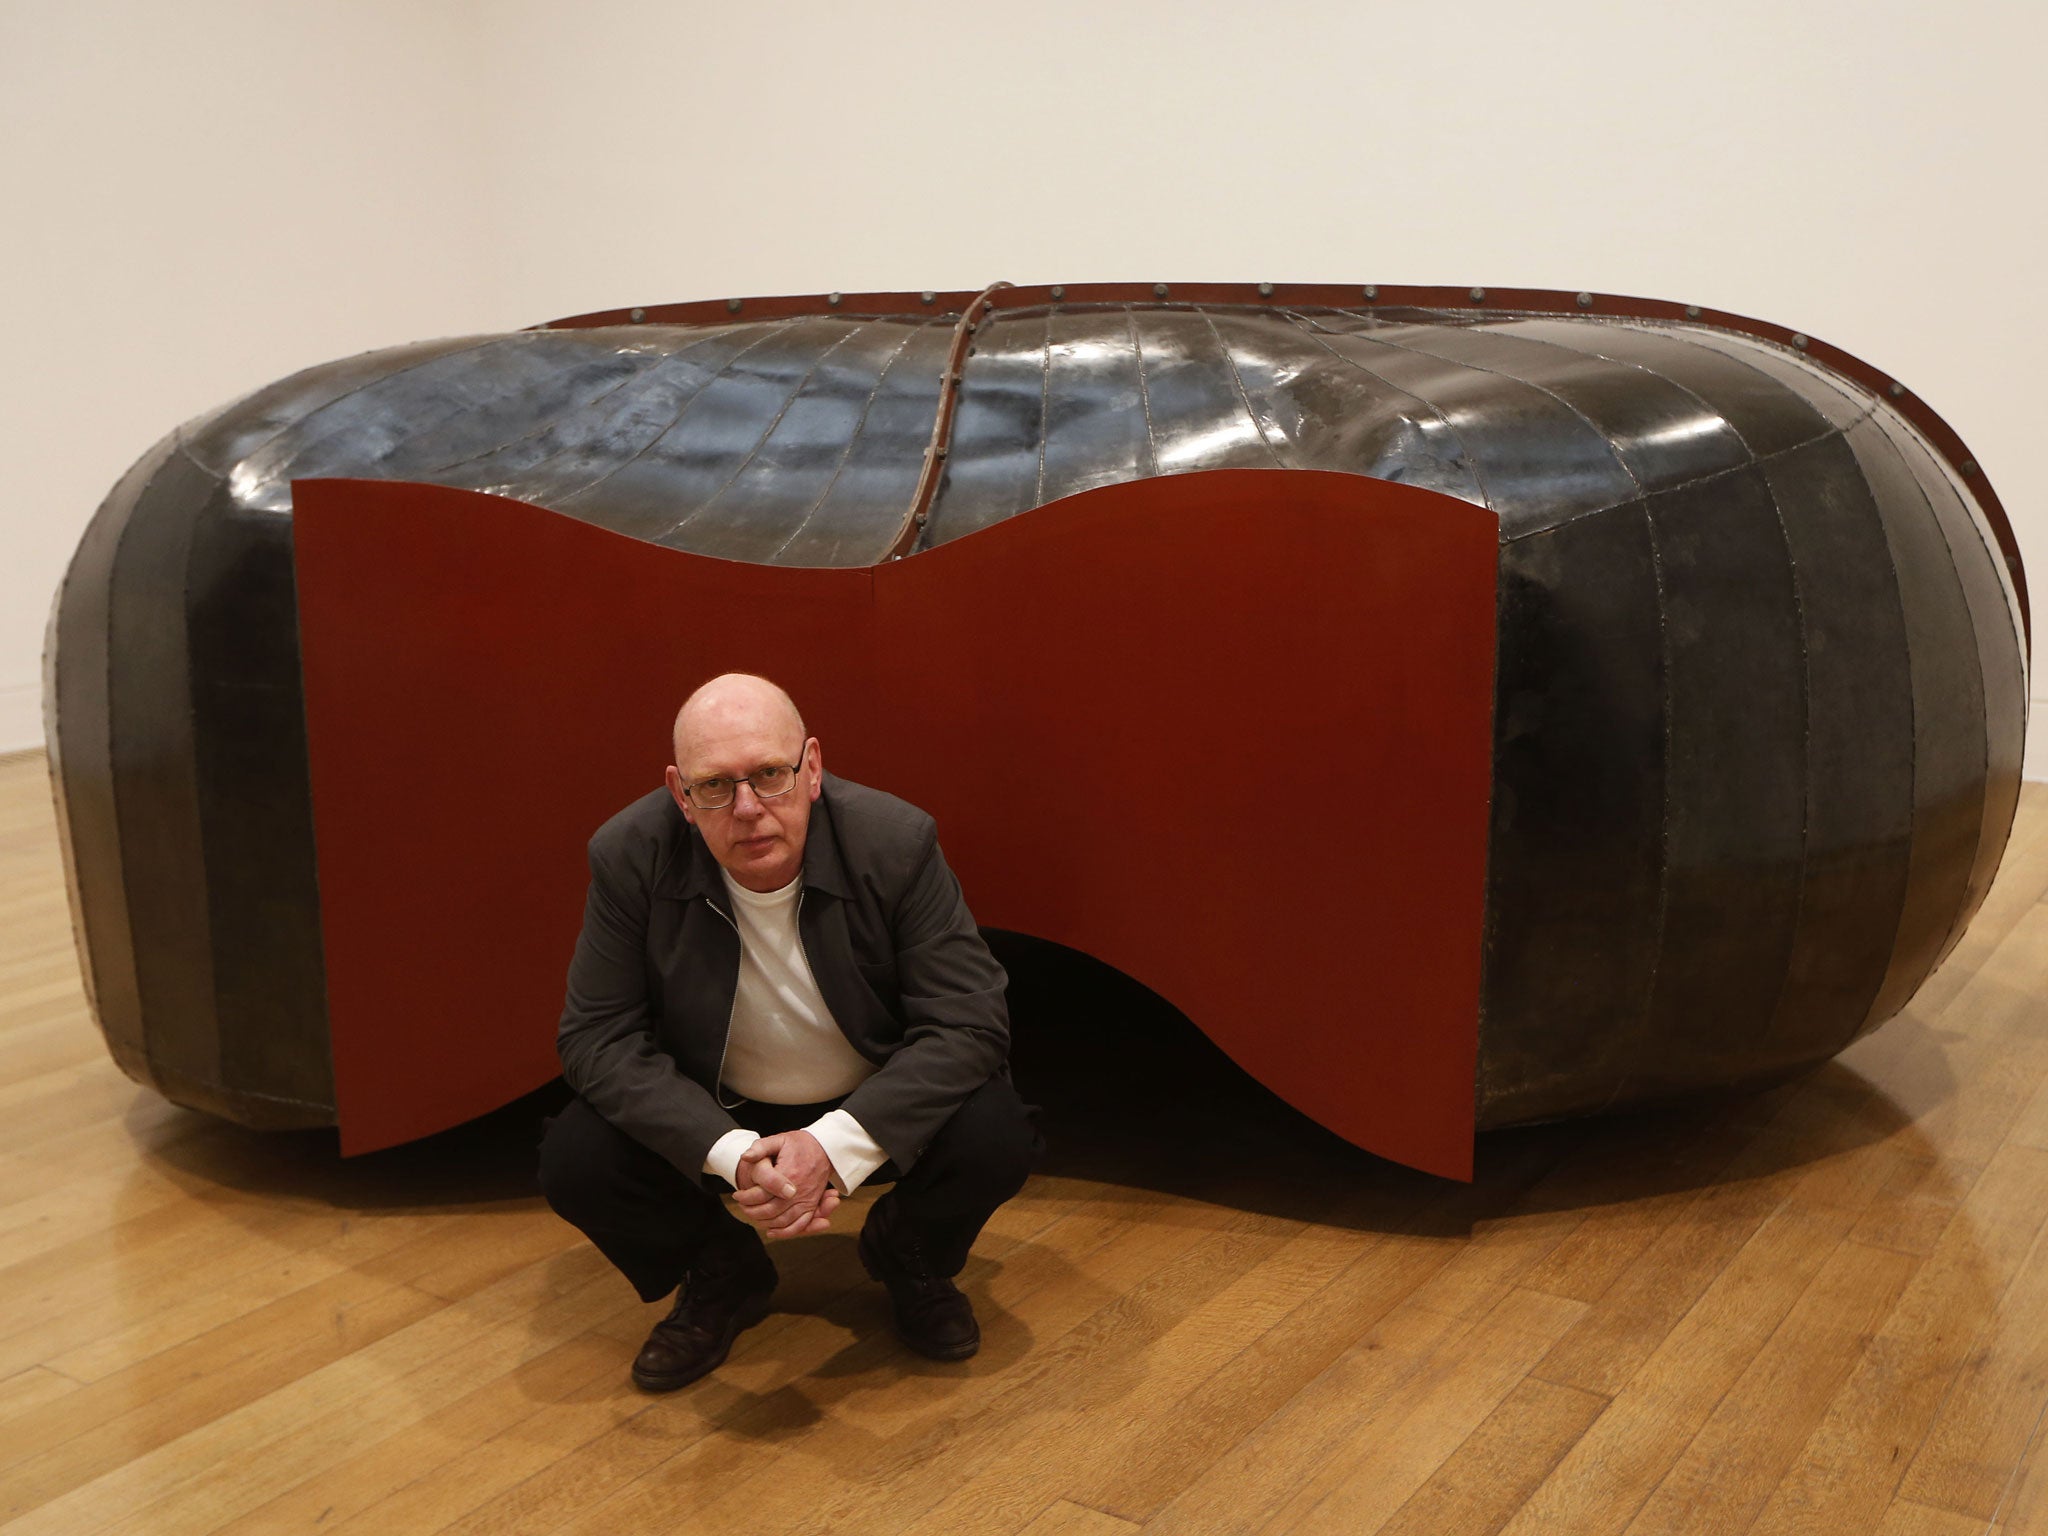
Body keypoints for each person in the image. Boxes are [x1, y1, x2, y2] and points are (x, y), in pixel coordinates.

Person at [539, 672, 1038, 1391]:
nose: (747, 809)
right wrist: (730, 1153)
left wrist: (833, 1145)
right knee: (577, 1158)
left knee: (996, 1131)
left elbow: (970, 1018)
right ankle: (722, 1272)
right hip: (724, 1111)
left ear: (812, 767)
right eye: (715, 786)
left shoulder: (894, 842)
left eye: (770, 775)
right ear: (680, 793)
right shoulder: (629, 854)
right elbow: (596, 1036)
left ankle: (908, 1255)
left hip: (870, 1100)